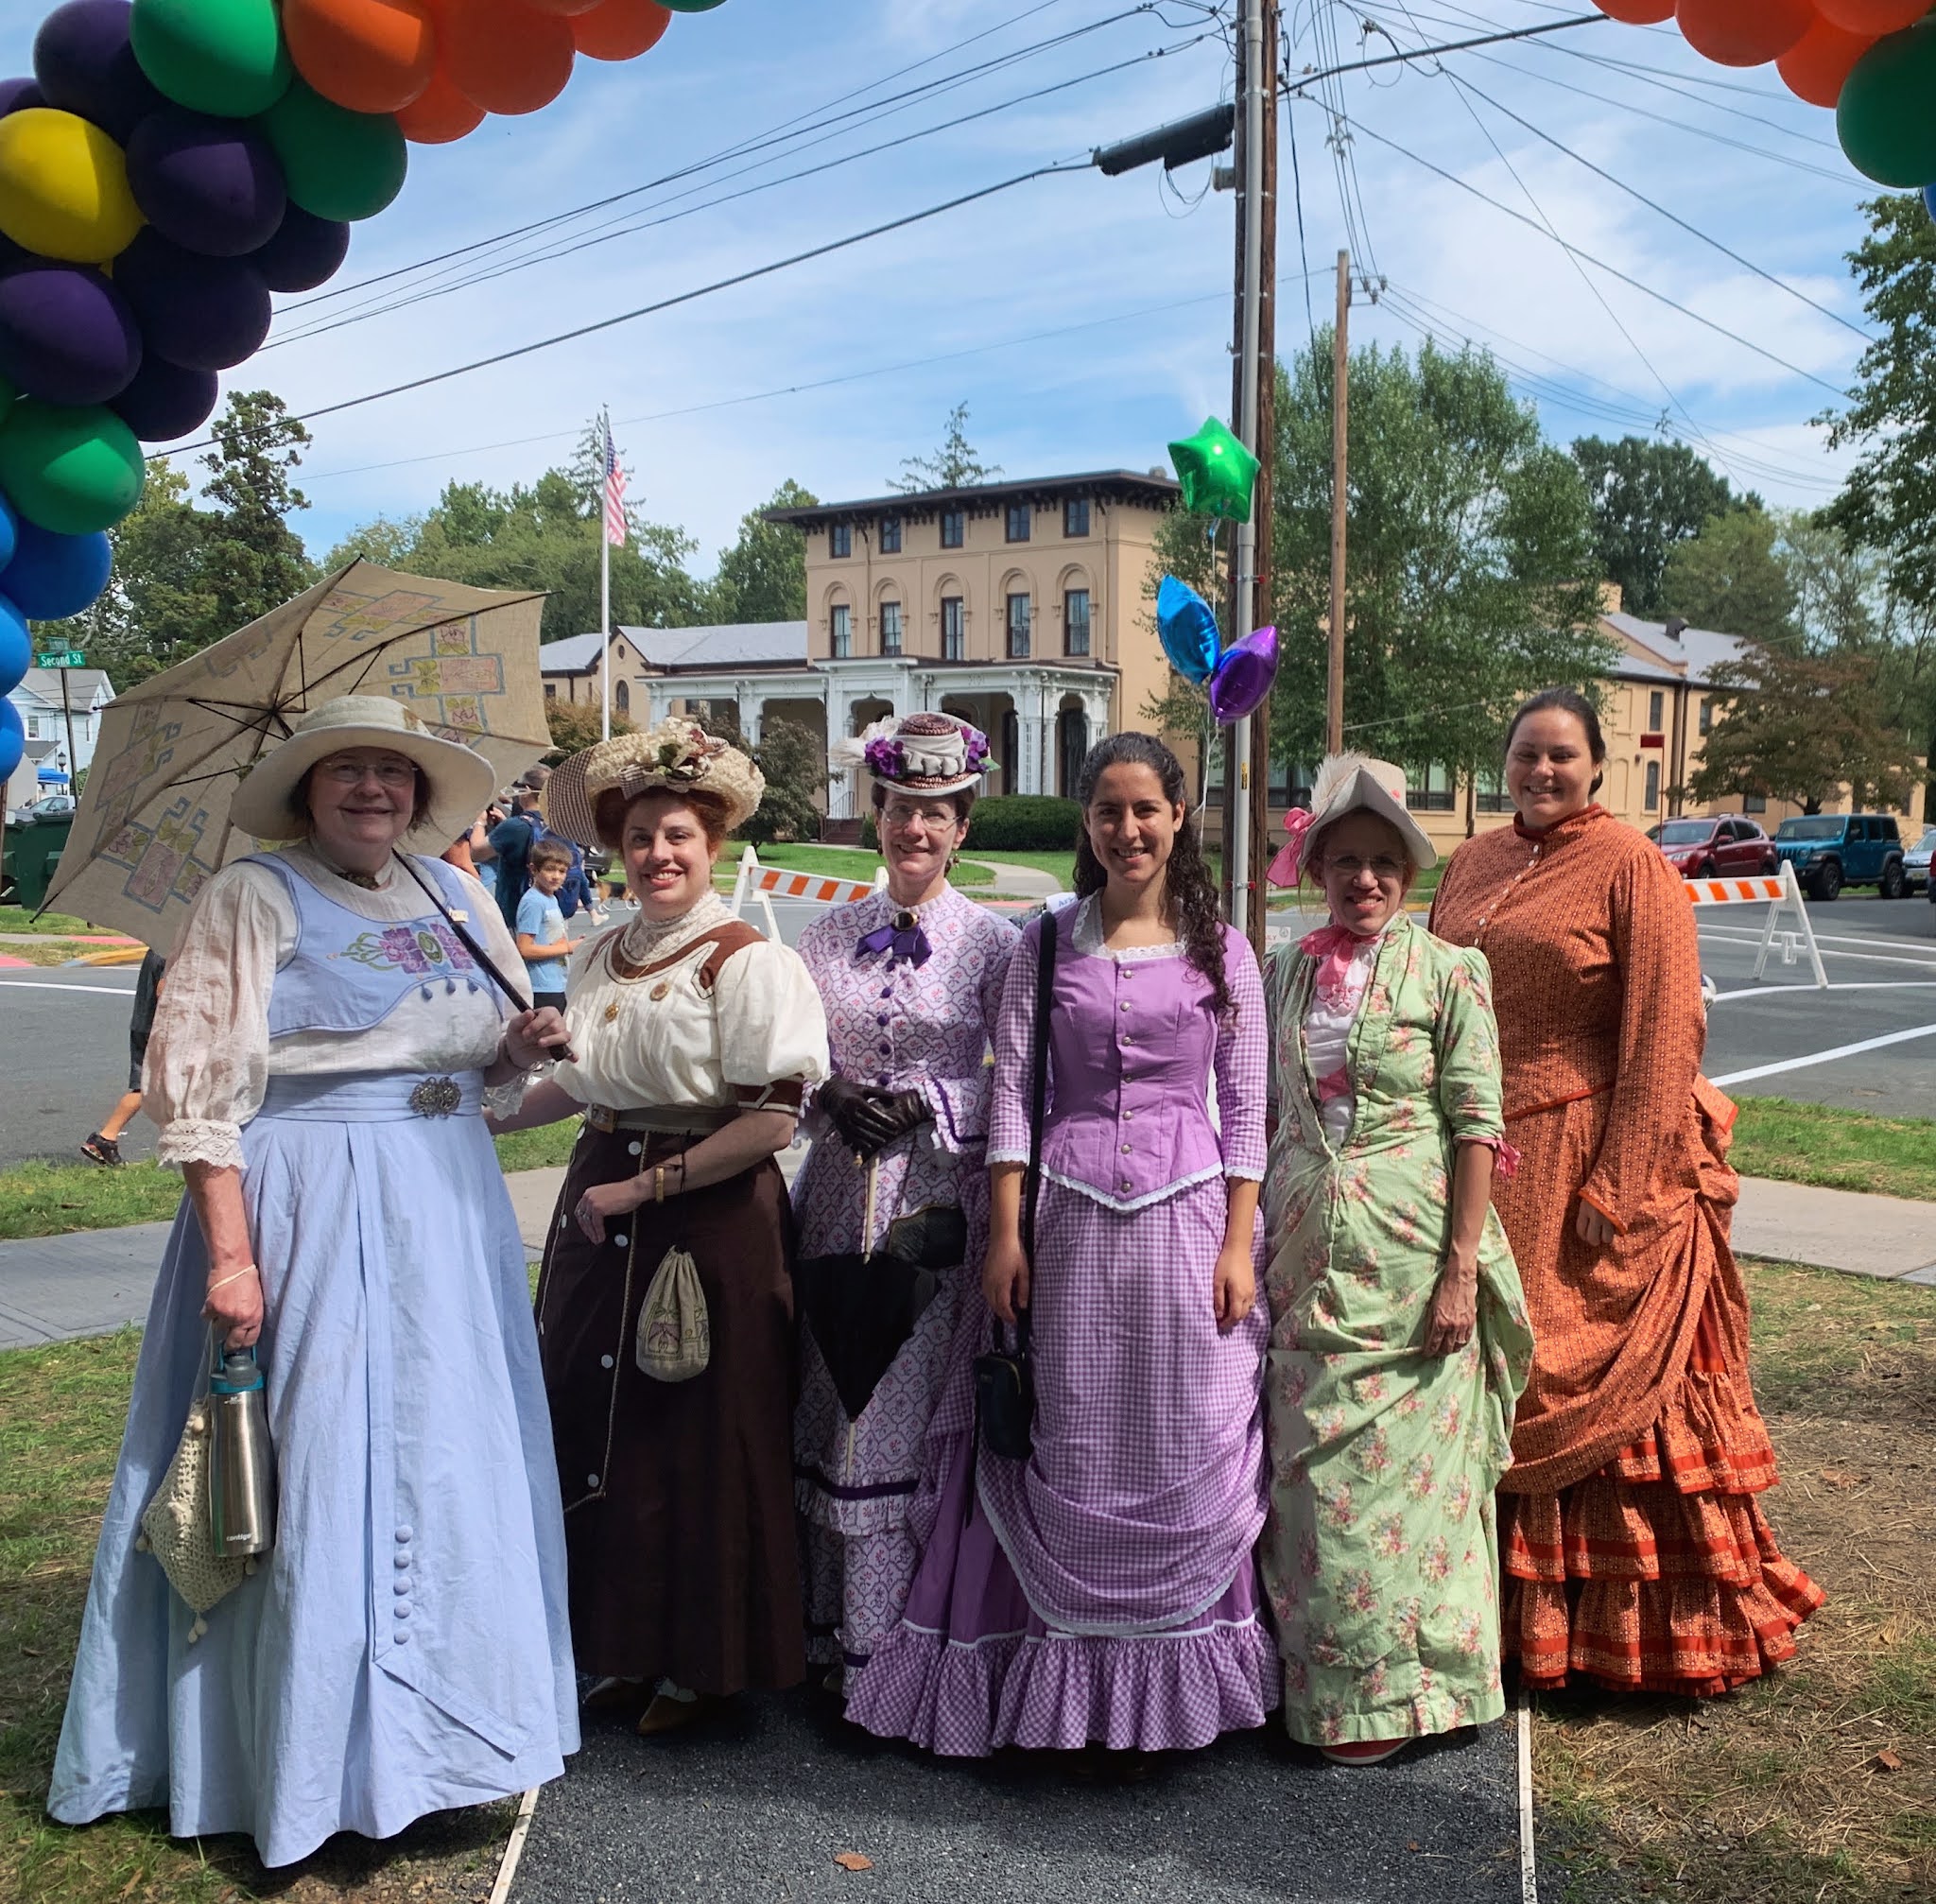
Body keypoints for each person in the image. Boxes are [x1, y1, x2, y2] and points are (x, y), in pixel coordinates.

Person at [48, 695, 579, 1868]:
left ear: (422, 794)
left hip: (446, 1207)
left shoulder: (453, 891)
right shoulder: (252, 894)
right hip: (311, 1203)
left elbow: (475, 1060)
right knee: (319, 1454)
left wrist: (518, 1046)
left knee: (447, 1453)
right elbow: (201, 1093)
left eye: (392, 773)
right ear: (304, 790)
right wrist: (233, 1259)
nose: (372, 791)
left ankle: (443, 1743)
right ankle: (306, 1763)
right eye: (346, 773)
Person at [848, 732, 1276, 1758]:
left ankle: (1175, 1687)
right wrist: (1003, 1232)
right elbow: (1010, 1097)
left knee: (1181, 1426)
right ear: (1085, 824)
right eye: (1107, 811)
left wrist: (1236, 1243)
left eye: (1145, 810)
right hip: (1069, 1224)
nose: (1127, 829)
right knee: (1072, 1427)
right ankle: (1051, 1687)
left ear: (1179, 816)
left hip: (1185, 1226)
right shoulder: (1046, 943)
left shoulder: (1222, 948)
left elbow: (1246, 1103)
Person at [1430, 687, 1823, 1696]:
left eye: (1562, 755)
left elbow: (1662, 1033)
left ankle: (1612, 1634)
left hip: (1580, 1151)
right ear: (1502, 761)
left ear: (1596, 766)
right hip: (1469, 1154)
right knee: (1478, 1372)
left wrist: (1622, 1177)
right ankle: (1477, 1620)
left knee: (1576, 1371)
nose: (1542, 771)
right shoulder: (1470, 860)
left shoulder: (1630, 866)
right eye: (1526, 754)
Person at [493, 718, 829, 1737]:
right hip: (602, 1200)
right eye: (640, 837)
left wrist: (644, 1191)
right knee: (604, 1423)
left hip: (708, 1215)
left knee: (700, 1434)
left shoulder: (747, 959)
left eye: (677, 834)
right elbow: (577, 1084)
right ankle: (620, 1644)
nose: (658, 855)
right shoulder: (601, 952)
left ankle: (706, 1662)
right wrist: (493, 1105)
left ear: (713, 842)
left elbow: (774, 1117)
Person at [1257, 755, 1533, 1765]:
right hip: (1300, 1254)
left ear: (1407, 877)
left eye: (1383, 863)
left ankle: (1416, 1690)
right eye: (1345, 861)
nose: (1363, 880)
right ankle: (1323, 1689)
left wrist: (1461, 1266)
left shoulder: (1451, 971)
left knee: (1409, 1486)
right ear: (1316, 865)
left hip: (1413, 1256)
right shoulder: (1282, 972)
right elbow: (1264, 1109)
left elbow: (1475, 1125)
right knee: (1312, 1475)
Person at [792, 713, 1017, 1692]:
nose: (914, 829)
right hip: (837, 1203)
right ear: (874, 813)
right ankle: (826, 1641)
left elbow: (1022, 1081)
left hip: (936, 1216)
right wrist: (825, 1090)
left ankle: (893, 1661)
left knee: (900, 1413)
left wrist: (929, 1098)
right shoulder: (821, 936)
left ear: (961, 826)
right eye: (898, 808)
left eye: (935, 812)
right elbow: (787, 1059)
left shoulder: (997, 943)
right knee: (830, 1402)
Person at [80, 949, 166, 1167]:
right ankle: (105, 1137)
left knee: (157, 1086)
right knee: (147, 1086)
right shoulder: (170, 949)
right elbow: (163, 990)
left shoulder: (157, 945)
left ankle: (108, 1138)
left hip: (144, 1023)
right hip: (157, 1027)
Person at [480, 766, 550, 933]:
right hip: (550, 908)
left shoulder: (515, 826)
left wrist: (479, 822)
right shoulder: (556, 823)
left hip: (517, 910)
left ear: (525, 790)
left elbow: (477, 851)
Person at [517, 838, 574, 1013]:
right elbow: (525, 949)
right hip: (541, 987)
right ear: (534, 869)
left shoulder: (550, 898)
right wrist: (567, 947)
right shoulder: (534, 902)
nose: (556, 876)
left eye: (562, 871)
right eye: (550, 869)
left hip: (556, 982)